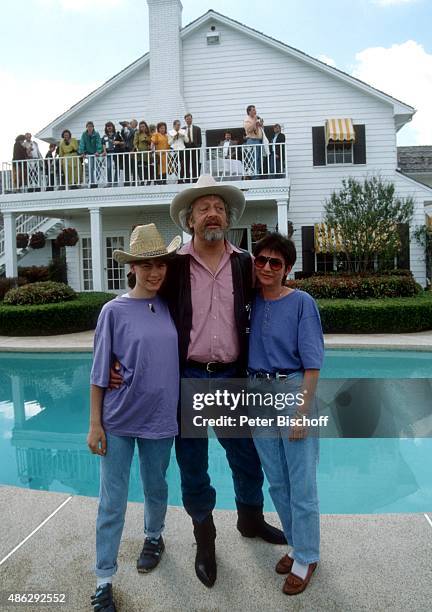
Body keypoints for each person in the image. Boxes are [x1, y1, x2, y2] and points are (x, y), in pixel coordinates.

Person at [110, 176, 285, 590]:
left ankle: (250, 519)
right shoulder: (172, 266)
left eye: (219, 207)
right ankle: (204, 537)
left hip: (230, 377)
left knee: (245, 457)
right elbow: (140, 303)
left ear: (228, 218)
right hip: (187, 377)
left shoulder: (245, 263)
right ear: (189, 221)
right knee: (193, 464)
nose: (213, 213)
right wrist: (117, 354)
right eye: (204, 207)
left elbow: (273, 301)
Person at [88, 223, 181, 612]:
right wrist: (95, 423)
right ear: (132, 268)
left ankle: (154, 537)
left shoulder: (171, 306)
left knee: (156, 486)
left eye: (160, 263)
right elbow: (98, 371)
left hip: (160, 419)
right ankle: (104, 579)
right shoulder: (113, 311)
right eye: (146, 265)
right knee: (113, 501)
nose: (155, 271)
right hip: (120, 419)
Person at [248, 232, 324, 596]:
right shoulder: (250, 302)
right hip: (256, 392)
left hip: (292, 390)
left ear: (287, 269)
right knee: (277, 480)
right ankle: (296, 545)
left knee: (302, 482)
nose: (266, 267)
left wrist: (302, 412)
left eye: (274, 262)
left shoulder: (302, 303)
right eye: (260, 260)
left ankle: (308, 556)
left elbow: (313, 364)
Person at [79, 121, 103, 187]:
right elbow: (82, 143)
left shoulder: (96, 134)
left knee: (98, 167)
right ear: (86, 127)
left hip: (96, 154)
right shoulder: (84, 134)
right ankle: (92, 182)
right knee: (91, 168)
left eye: (91, 126)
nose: (90, 128)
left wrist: (98, 151)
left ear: (93, 127)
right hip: (89, 154)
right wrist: (82, 152)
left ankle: (96, 181)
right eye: (88, 126)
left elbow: (98, 143)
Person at [243, 105, 264, 179]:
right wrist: (255, 122)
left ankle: (257, 174)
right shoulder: (247, 120)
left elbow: (259, 129)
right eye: (253, 110)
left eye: (255, 110)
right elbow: (248, 130)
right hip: (252, 141)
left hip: (258, 141)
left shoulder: (255, 119)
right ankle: (254, 176)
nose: (255, 112)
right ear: (249, 112)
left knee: (258, 159)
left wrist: (261, 124)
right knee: (253, 159)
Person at [102, 121, 123, 186]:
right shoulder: (105, 136)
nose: (109, 127)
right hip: (108, 153)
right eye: (107, 126)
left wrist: (118, 142)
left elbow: (123, 142)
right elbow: (103, 144)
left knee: (117, 167)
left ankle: (116, 181)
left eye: (110, 126)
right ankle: (109, 182)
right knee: (108, 167)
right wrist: (104, 151)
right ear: (106, 128)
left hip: (116, 152)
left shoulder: (117, 134)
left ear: (113, 127)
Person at [183, 113, 202, 182]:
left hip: (195, 148)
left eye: (190, 119)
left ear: (192, 119)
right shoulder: (182, 129)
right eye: (187, 119)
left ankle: (195, 179)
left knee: (195, 164)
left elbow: (200, 141)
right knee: (186, 164)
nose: (189, 120)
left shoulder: (197, 128)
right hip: (186, 148)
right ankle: (187, 179)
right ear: (185, 120)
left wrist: (198, 147)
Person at [133, 121, 152, 185]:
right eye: (141, 127)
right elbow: (135, 142)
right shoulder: (137, 133)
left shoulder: (149, 134)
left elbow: (151, 141)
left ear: (146, 126)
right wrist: (136, 148)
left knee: (147, 167)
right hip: (140, 152)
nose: (142, 128)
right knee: (140, 167)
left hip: (147, 153)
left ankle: (148, 180)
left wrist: (147, 140)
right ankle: (142, 180)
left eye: (143, 126)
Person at [120, 120, 137, 185]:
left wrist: (127, 126)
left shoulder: (136, 131)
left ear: (135, 124)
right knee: (126, 167)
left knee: (133, 167)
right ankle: (127, 181)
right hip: (126, 150)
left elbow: (133, 133)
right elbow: (124, 137)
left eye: (131, 123)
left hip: (133, 150)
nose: (129, 124)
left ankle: (134, 182)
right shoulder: (128, 131)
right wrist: (123, 128)